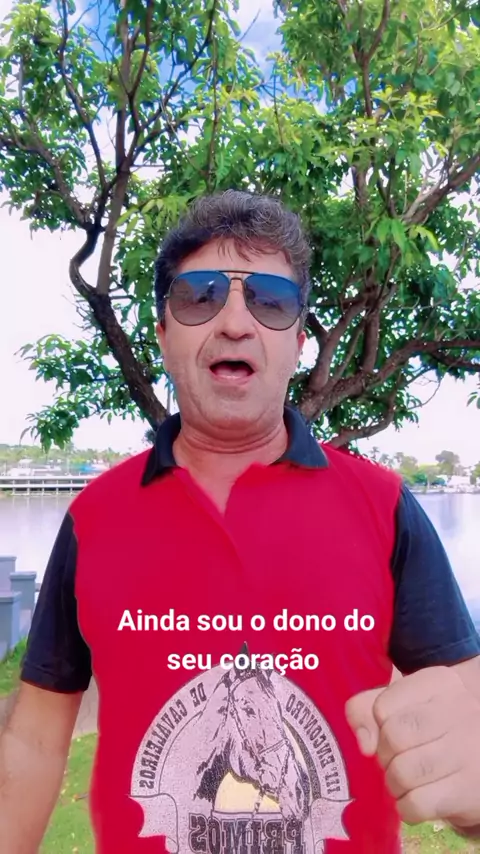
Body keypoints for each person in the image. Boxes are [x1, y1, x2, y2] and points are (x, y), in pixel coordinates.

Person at [1, 190, 479, 854]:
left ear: (298, 342)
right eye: (199, 296)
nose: (234, 322)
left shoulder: (385, 506)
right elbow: (34, 737)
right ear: (163, 334)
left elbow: (464, 707)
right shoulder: (94, 517)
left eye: (270, 301)